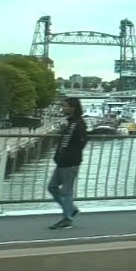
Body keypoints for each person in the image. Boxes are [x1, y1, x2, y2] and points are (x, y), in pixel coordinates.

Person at [48, 97, 88, 230]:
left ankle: (67, 219)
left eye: (65, 106)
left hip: (70, 163)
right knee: (52, 187)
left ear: (73, 108)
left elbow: (82, 141)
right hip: (62, 162)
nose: (62, 108)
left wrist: (71, 155)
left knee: (66, 192)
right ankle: (71, 209)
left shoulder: (78, 123)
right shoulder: (70, 123)